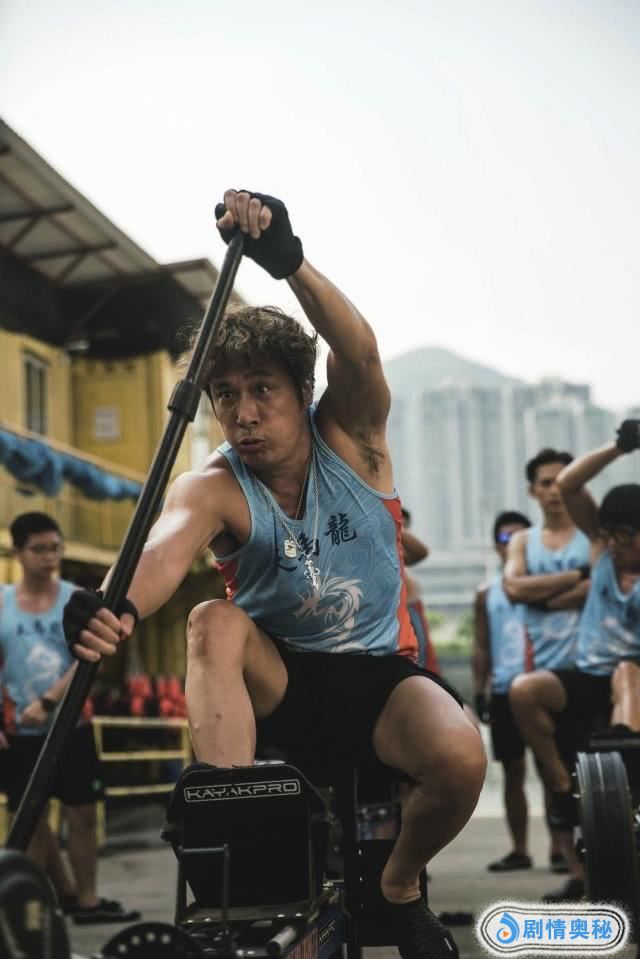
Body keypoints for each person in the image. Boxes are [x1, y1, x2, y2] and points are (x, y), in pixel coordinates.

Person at [65, 189, 487, 959]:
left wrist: (290, 262)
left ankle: (396, 886)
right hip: (280, 681)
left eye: (262, 389)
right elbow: (163, 550)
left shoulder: (353, 438)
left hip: (377, 678)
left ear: (302, 392)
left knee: (461, 757)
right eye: (226, 395)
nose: (245, 413)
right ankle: (243, 840)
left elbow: (360, 352)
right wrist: (112, 604)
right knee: (212, 620)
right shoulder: (213, 484)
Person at [509, 421, 640, 901]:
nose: (619, 545)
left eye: (628, 537)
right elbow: (568, 484)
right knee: (525, 690)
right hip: (586, 675)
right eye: (614, 536)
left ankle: (629, 767)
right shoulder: (602, 552)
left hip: (632, 680)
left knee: (627, 673)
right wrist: (620, 446)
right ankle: (561, 781)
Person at [0, 512, 139, 924]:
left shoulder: (75, 599)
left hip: (72, 726)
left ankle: (88, 903)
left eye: (55, 548)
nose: (49, 557)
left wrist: (49, 700)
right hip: (20, 730)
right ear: (18, 552)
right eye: (39, 549)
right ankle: (36, 906)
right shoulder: (3, 604)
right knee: (31, 820)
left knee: (83, 813)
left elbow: (91, 656)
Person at [472, 510, 533, 873]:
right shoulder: (487, 592)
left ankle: (563, 849)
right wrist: (479, 690)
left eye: (522, 537)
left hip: (541, 683)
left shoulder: (545, 584)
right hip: (503, 689)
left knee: (557, 768)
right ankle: (520, 848)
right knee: (513, 771)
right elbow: (482, 644)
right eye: (506, 538)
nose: (512, 544)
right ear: (496, 545)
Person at [401, 508, 440, 674]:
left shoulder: (396, 551)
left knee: (418, 667)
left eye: (405, 526)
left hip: (408, 613)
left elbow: (420, 552)